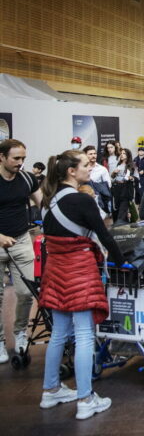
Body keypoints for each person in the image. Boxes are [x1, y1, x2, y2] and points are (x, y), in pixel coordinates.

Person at [38, 149, 125, 420]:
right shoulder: (82, 201)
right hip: (80, 272)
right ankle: (86, 398)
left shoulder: (48, 201)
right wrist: (122, 262)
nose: (91, 168)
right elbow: (105, 237)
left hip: (55, 273)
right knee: (85, 334)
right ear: (71, 172)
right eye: (86, 165)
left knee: (59, 334)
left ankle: (50, 390)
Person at [0, 139, 42, 363]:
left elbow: (42, 202)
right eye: (16, 158)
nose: (20, 162)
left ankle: (20, 333)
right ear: (2, 157)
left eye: (23, 158)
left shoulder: (27, 178)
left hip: (22, 240)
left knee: (27, 292)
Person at [109, 148, 137, 224]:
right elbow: (112, 177)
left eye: (124, 153)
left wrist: (131, 178)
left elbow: (136, 178)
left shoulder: (132, 165)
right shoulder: (118, 164)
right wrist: (114, 173)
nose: (121, 154)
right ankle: (124, 225)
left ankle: (119, 225)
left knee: (122, 211)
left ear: (128, 155)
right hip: (116, 190)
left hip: (126, 191)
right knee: (118, 210)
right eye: (121, 153)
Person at [83, 146, 112, 216]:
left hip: (98, 202)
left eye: (94, 153)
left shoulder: (102, 169)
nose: (93, 156)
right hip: (83, 200)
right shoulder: (81, 169)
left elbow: (108, 185)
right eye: (90, 154)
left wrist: (97, 187)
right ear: (85, 155)